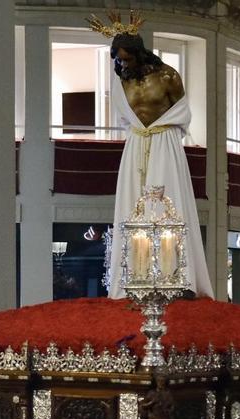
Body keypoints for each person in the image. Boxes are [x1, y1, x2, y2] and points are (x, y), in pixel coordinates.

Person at [94, 14, 213, 299]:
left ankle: (176, 276)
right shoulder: (121, 82)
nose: (123, 65)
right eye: (119, 60)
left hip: (164, 141)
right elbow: (125, 117)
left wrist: (162, 133)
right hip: (137, 143)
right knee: (133, 205)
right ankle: (135, 275)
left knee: (170, 203)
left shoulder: (168, 76)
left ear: (139, 53)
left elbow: (181, 111)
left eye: (127, 59)